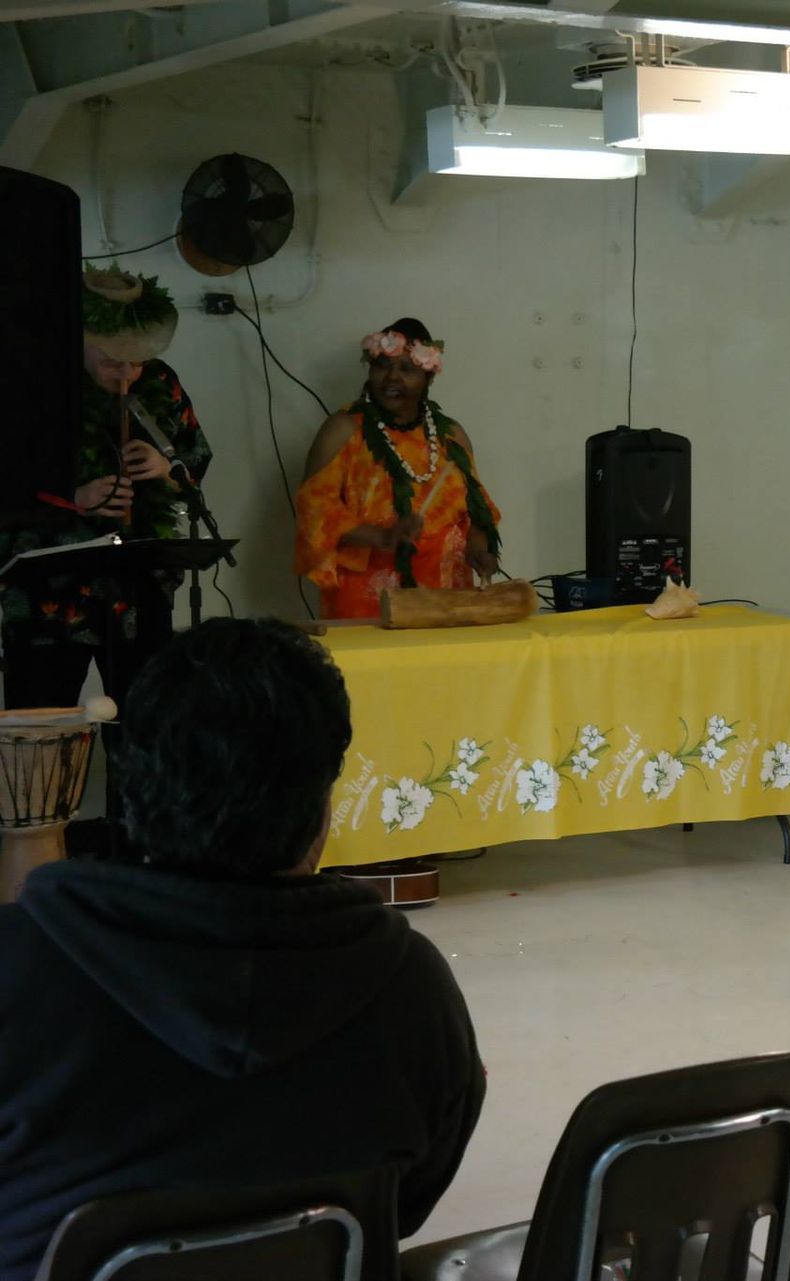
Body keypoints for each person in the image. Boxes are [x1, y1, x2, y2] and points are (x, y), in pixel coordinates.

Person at [0, 619, 485, 1280]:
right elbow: (408, 1204)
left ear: (135, 791)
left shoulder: (16, 967)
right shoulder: (413, 989)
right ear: (322, 807)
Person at [0, 268, 209, 714]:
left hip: (139, 586)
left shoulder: (161, 382)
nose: (128, 374)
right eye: (114, 360)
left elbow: (195, 461)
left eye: (138, 361)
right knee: (42, 722)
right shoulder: (30, 387)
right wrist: (73, 496)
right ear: (81, 341)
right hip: (50, 593)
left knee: (148, 721)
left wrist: (164, 469)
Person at [296, 319, 501, 619]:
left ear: (428, 377)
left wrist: (479, 550)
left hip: (447, 594)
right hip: (368, 596)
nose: (392, 377)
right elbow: (314, 512)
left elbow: (476, 511)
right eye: (382, 366)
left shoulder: (451, 436)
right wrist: (381, 537)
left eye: (407, 369)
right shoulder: (342, 431)